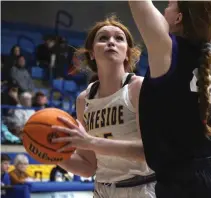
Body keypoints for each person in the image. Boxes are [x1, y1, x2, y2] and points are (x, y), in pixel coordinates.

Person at [128, 1, 211, 197]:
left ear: (178, 18)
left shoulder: (167, 49)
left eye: (169, 5)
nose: (164, 10)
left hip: (187, 185)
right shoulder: (200, 56)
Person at [51, 16, 155, 198]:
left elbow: (149, 152)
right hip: (102, 190)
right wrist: (50, 154)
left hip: (142, 187)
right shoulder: (84, 99)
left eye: (119, 38)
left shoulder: (138, 87)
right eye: (103, 38)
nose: (111, 42)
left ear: (127, 53)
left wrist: (90, 142)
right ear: (91, 52)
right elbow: (87, 166)